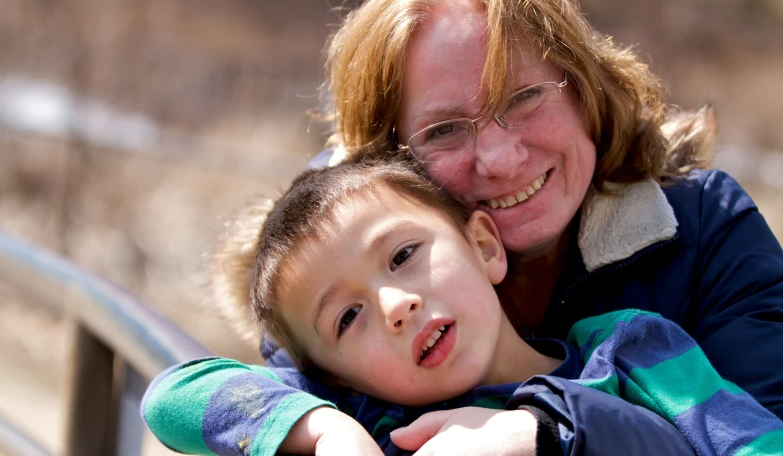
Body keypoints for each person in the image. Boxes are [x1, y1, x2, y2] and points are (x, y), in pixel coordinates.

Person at [151, 0, 783, 455]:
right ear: (391, 158)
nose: (502, 159)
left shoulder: (656, 313)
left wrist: (550, 429)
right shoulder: (345, 254)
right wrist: (319, 426)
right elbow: (194, 396)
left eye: (525, 96)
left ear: (583, 89)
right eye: (445, 129)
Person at [141, 153, 783, 456]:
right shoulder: (369, 413)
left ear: (483, 246)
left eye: (401, 256)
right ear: (333, 375)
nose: (394, 305)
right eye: (347, 318)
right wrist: (326, 429)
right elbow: (173, 396)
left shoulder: (631, 352)